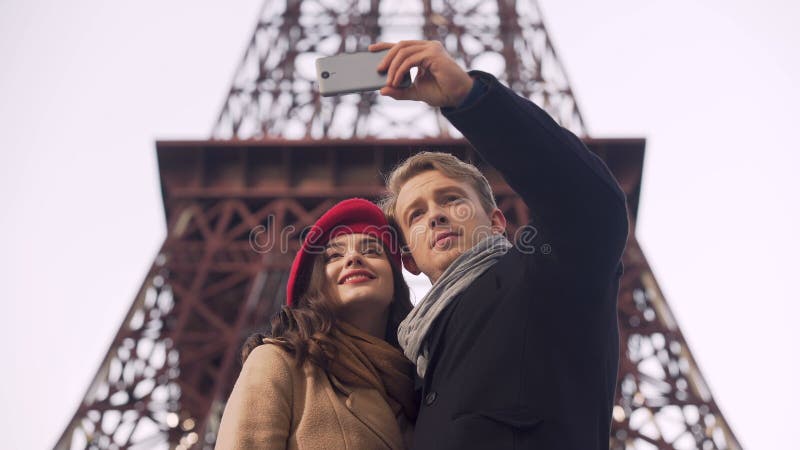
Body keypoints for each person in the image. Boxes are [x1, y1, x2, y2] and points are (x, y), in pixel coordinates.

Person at [370, 40, 630, 449]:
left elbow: (590, 206)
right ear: (408, 259)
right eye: (415, 215)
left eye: (451, 200)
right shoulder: (409, 367)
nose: (435, 215)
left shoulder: (545, 273)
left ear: (495, 223)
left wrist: (469, 99)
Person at [215, 198, 418, 450]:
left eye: (371, 250)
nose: (353, 257)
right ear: (315, 288)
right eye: (334, 255)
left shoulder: (422, 388)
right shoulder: (280, 363)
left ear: (396, 284)